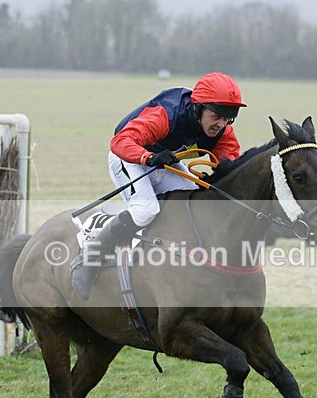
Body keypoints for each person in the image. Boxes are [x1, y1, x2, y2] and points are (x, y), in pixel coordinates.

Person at [71, 72, 247, 299]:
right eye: (216, 117)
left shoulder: (221, 130)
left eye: (227, 119)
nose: (221, 125)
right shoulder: (166, 114)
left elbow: (229, 160)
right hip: (128, 158)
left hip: (162, 163)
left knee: (194, 204)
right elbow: (120, 142)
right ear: (198, 108)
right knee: (146, 211)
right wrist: (148, 158)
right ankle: (88, 257)